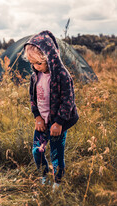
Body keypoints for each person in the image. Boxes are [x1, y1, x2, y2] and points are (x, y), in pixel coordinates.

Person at [23, 30, 79, 189]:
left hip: (57, 124)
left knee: (56, 154)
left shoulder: (62, 75)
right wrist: (37, 117)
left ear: (50, 58)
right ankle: (44, 177)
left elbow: (68, 100)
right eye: (32, 63)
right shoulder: (35, 76)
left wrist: (59, 122)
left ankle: (58, 183)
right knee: (37, 151)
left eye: (39, 63)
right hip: (42, 123)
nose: (35, 67)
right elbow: (32, 98)